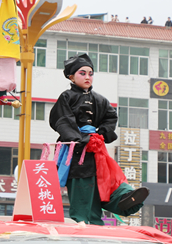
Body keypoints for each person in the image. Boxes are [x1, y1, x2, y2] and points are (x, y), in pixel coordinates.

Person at [49, 54, 149, 224]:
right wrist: (80, 138)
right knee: (82, 184)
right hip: (76, 150)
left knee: (106, 177)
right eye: (82, 73)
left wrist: (101, 133)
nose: (87, 77)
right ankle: (85, 220)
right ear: (71, 77)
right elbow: (62, 119)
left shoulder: (100, 99)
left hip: (96, 148)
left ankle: (124, 197)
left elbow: (111, 117)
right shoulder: (67, 97)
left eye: (90, 73)